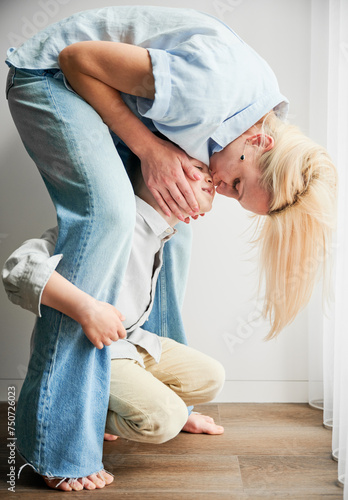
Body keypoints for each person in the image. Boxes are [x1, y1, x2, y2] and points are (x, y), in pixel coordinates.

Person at [4, 4, 337, 492]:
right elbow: (77, 59)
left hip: (102, 88)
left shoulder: (256, 122)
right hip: (53, 76)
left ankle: (149, 393)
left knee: (175, 230)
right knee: (112, 218)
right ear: (260, 142)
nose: (222, 190)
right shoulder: (210, 93)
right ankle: (55, 442)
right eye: (238, 184)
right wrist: (149, 148)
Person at [2, 153, 225, 491]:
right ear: (157, 177)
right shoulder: (101, 226)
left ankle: (111, 401)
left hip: (131, 343)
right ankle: (73, 414)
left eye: (209, 175)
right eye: (198, 170)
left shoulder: (163, 236)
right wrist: (87, 309)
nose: (210, 179)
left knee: (211, 378)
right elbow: (18, 269)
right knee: (164, 419)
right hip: (93, 348)